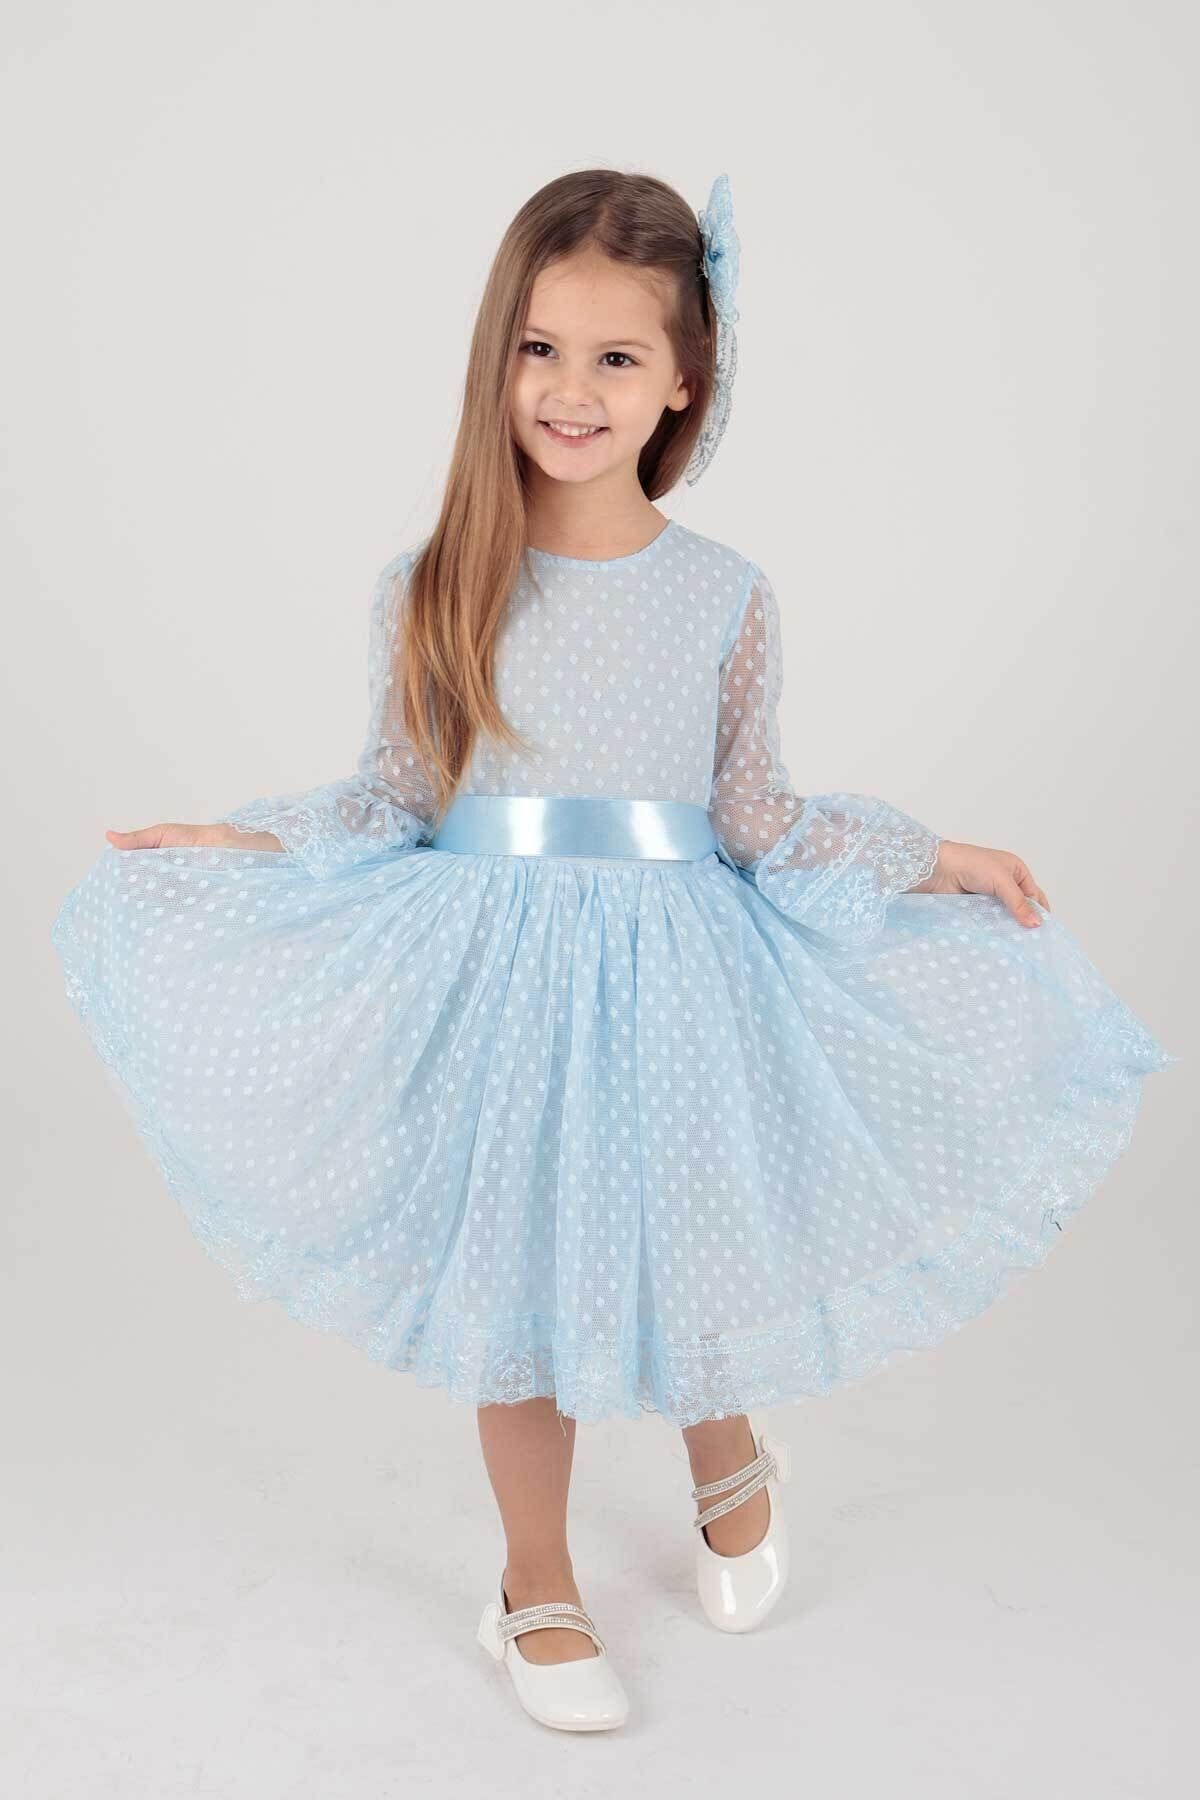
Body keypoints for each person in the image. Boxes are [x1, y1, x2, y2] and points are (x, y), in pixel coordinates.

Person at [51, 169, 1179, 1733]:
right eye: (540, 349)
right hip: (498, 986)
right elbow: (393, 799)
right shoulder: (435, 585)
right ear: (496, 358)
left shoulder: (721, 594)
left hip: (676, 977)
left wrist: (930, 858)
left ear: (683, 383)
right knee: (519, 1279)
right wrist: (249, 847)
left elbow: (757, 815)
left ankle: (730, 1447)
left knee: (681, 1236)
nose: (570, 391)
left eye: (615, 358)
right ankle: (535, 1581)